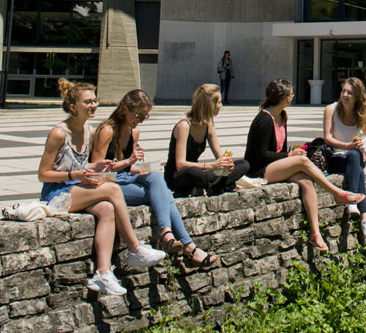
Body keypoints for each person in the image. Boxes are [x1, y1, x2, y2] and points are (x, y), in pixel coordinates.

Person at [38, 79, 165, 295]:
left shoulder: (90, 131)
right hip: (56, 193)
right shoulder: (59, 133)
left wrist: (95, 166)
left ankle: (103, 273)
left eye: (95, 100)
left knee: (107, 208)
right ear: (72, 107)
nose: (93, 105)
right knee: (113, 190)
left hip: (76, 187)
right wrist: (77, 174)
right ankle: (134, 248)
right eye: (87, 102)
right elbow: (43, 174)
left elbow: (81, 165)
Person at [91, 89, 216, 267]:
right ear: (125, 109)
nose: (139, 121)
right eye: (138, 116)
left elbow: (128, 167)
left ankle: (168, 234)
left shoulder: (134, 132)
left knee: (156, 177)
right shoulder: (107, 130)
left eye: (144, 117)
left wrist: (143, 167)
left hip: (124, 178)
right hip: (108, 184)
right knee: (163, 195)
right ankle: (188, 246)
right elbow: (98, 171)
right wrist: (129, 161)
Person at [245, 78, 365, 252]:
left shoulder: (282, 116)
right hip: (259, 170)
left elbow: (280, 148)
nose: (293, 96)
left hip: (274, 166)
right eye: (290, 94)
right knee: (302, 161)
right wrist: (290, 156)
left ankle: (315, 234)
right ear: (281, 97)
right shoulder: (264, 120)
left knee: (307, 182)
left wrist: (292, 152)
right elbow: (260, 155)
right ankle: (338, 194)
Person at [165, 84, 249, 197]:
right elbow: (180, 165)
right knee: (195, 172)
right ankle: (220, 185)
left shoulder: (208, 126)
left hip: (201, 174)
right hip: (180, 175)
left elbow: (220, 157)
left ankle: (209, 187)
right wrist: (211, 166)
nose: (221, 105)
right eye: (219, 102)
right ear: (210, 104)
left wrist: (226, 164)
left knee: (243, 164)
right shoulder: (184, 126)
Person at [321, 77, 366, 239]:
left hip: (354, 157)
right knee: (356, 163)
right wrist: (347, 146)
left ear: (357, 96)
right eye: (343, 91)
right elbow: (327, 138)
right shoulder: (330, 109)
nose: (345, 95)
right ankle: (364, 216)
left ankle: (353, 202)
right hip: (336, 157)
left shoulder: (361, 113)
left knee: (355, 156)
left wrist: (365, 148)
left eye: (349, 93)